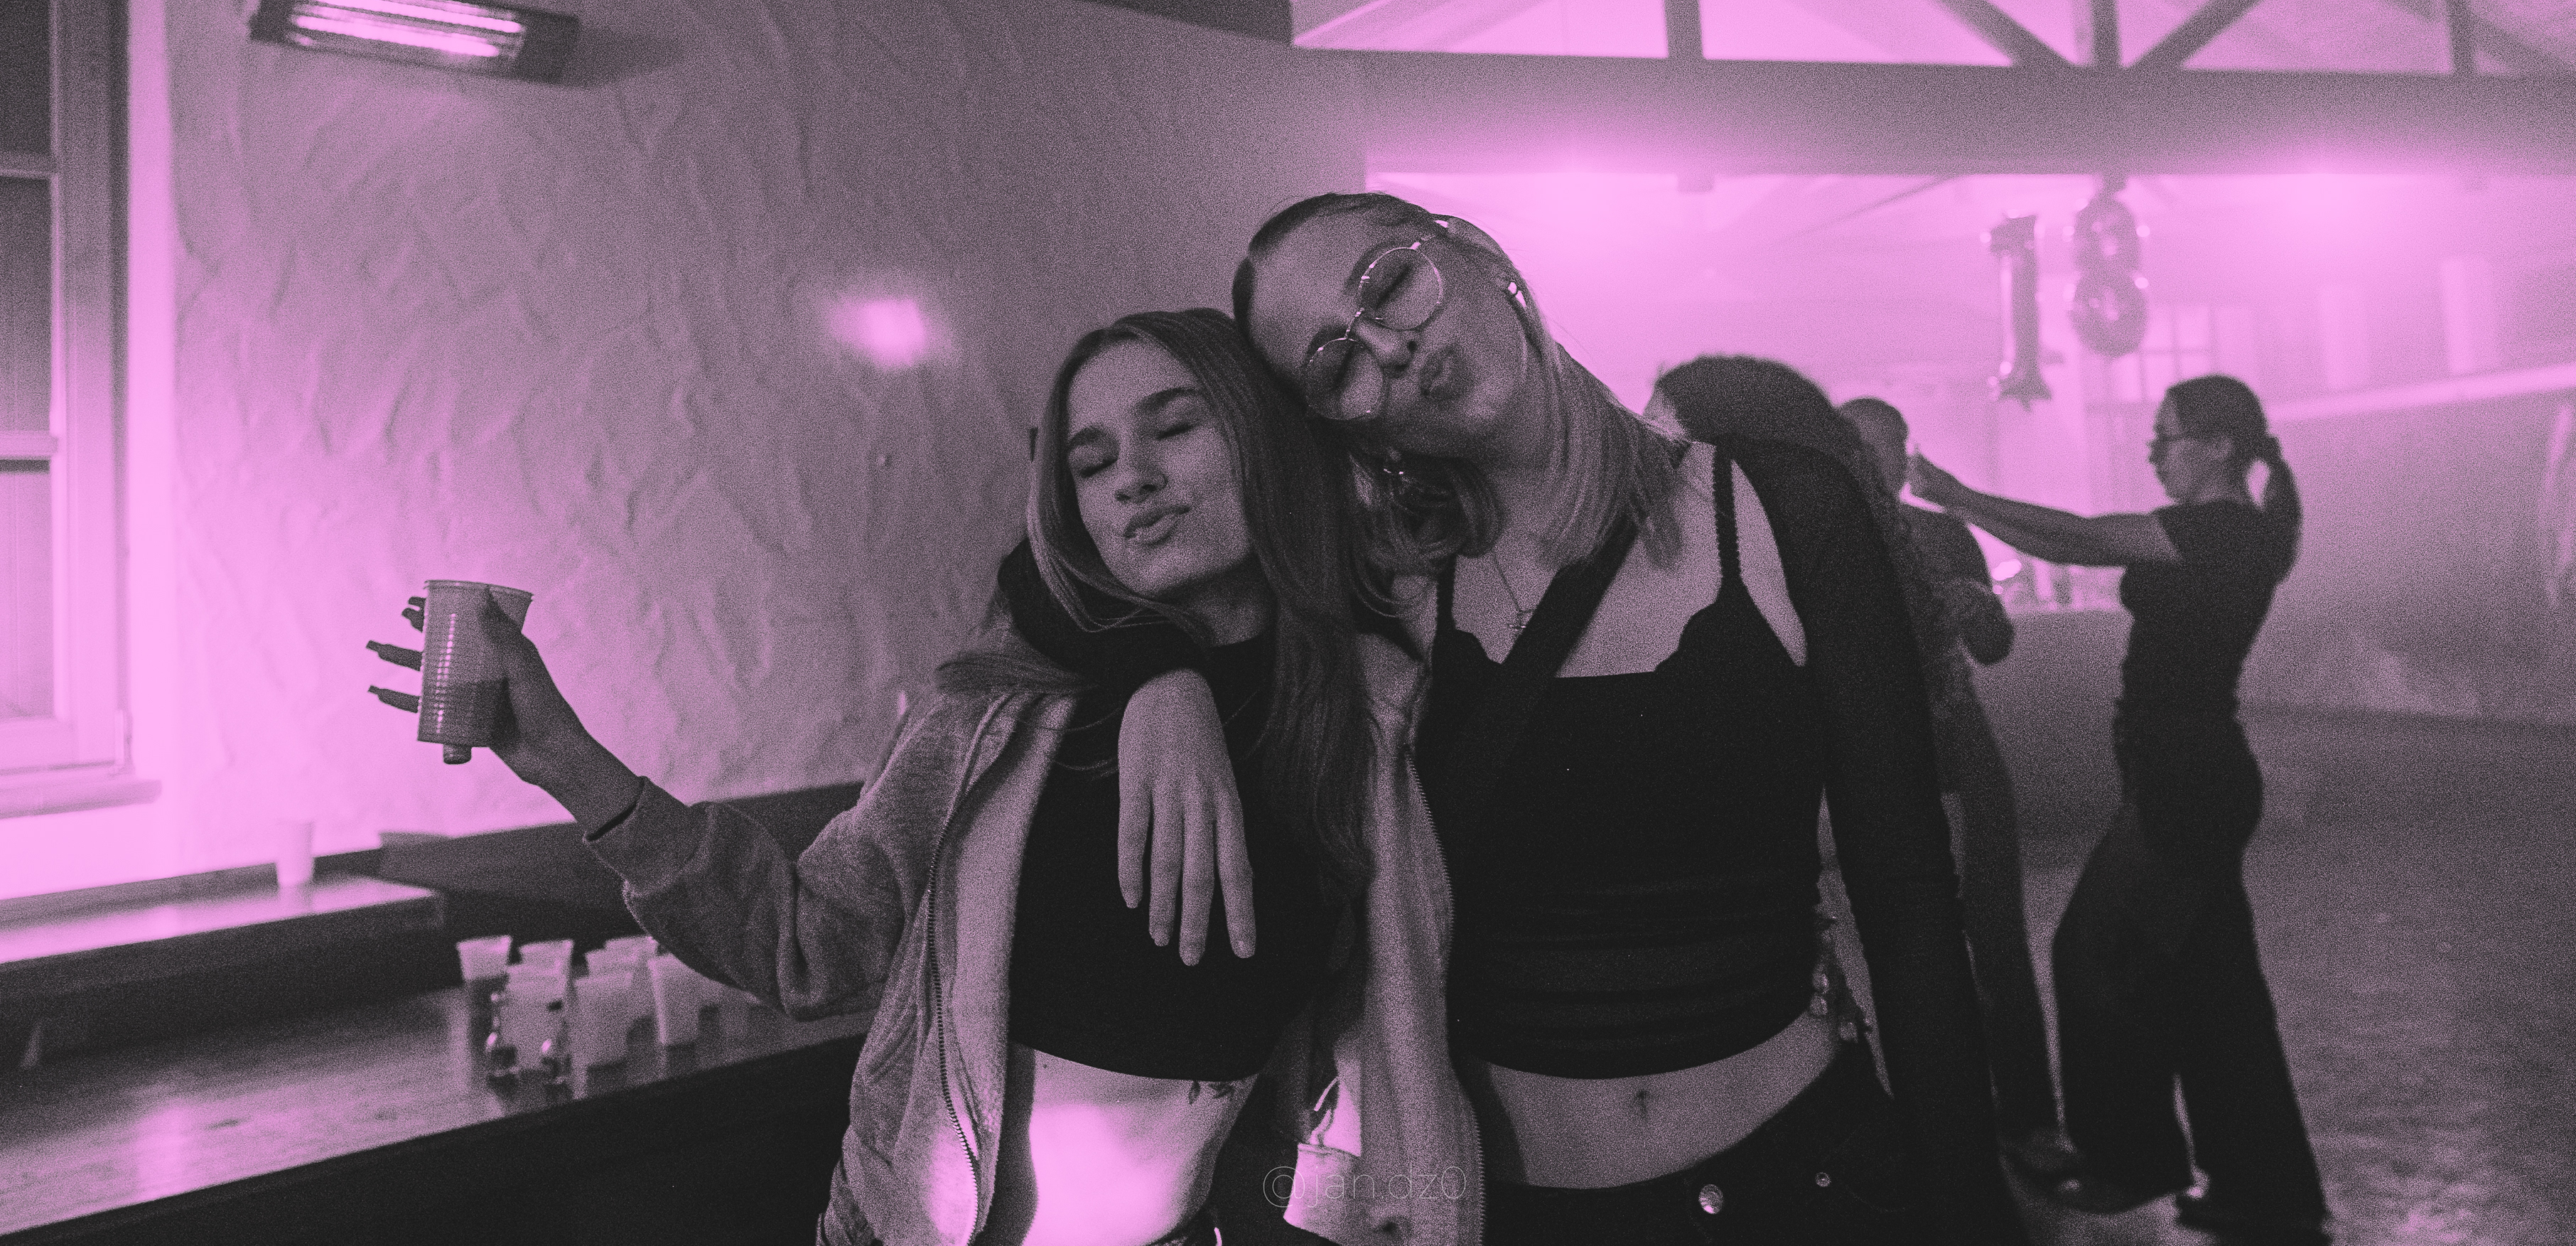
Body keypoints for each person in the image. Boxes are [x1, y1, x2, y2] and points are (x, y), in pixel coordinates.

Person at [1018, 197, 2028, 1245]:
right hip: (1524, 1215)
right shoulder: (1386, 581)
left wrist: (1970, 1210)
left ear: (1478, 254)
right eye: (1336, 362)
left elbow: (1909, 896)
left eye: (1388, 284)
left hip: (1808, 1184)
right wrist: (1158, 680)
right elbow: (1055, 562)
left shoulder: (1779, 507)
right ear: (1337, 422)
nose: (1389, 347)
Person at [368, 310, 1480, 1246]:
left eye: (1176, 428)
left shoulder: (1373, 706)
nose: (1133, 481)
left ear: (1264, 439)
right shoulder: (1006, 706)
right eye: (1091, 463)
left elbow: (1383, 1027)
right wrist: (569, 761)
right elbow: (805, 947)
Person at [1909, 374, 2329, 1246]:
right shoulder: (2223, 531)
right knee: (2215, 990)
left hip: (2188, 778)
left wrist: (1959, 497)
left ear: (2220, 445)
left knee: (2093, 954)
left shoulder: (2227, 532)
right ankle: (2265, 1191)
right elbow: (2074, 540)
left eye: (2167, 436)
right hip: (2182, 771)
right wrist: (1963, 503)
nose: (2154, 452)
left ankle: (2131, 1159)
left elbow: (2079, 538)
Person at [1644, 359, 2079, 1184]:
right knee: (1888, 971)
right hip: (1860, 781)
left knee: (1981, 951)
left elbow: (1986, 649)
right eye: (1862, 447)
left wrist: (1978, 610)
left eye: (1887, 450)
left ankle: (2019, 1126)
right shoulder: (1767, 533)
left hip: (1946, 758)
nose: (1876, 464)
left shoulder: (1924, 536)